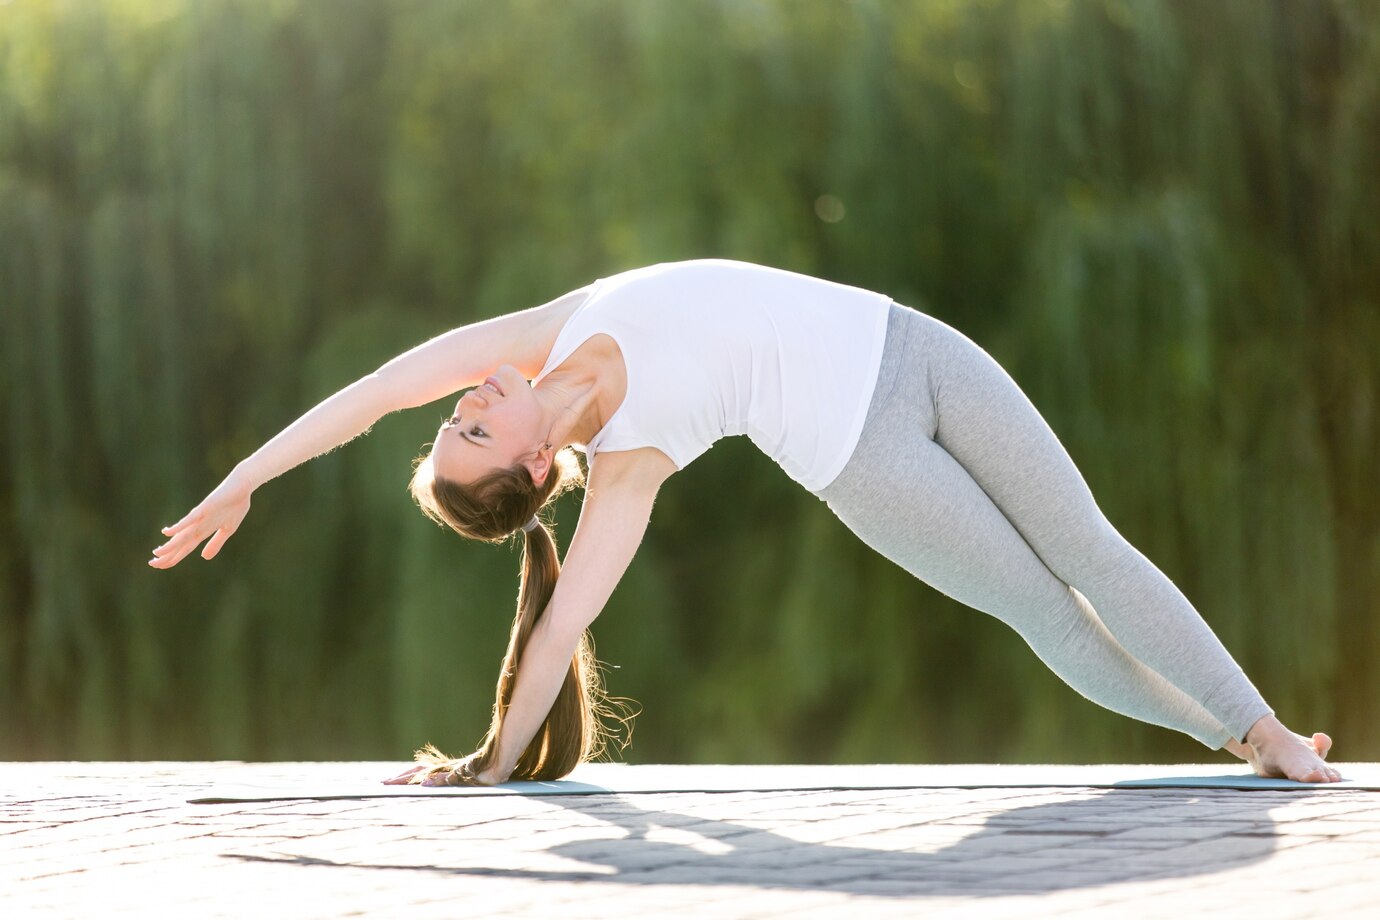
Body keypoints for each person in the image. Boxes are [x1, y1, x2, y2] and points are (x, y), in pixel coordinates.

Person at [149, 258, 1342, 786]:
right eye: (470, 434)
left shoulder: (543, 331)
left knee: (1089, 543)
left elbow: (367, 396)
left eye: (452, 421)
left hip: (919, 348)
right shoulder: (624, 470)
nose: (461, 405)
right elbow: (561, 628)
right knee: (1046, 608)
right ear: (523, 468)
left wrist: (242, 477)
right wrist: (493, 761)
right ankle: (1252, 740)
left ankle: (1256, 722)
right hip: (863, 461)